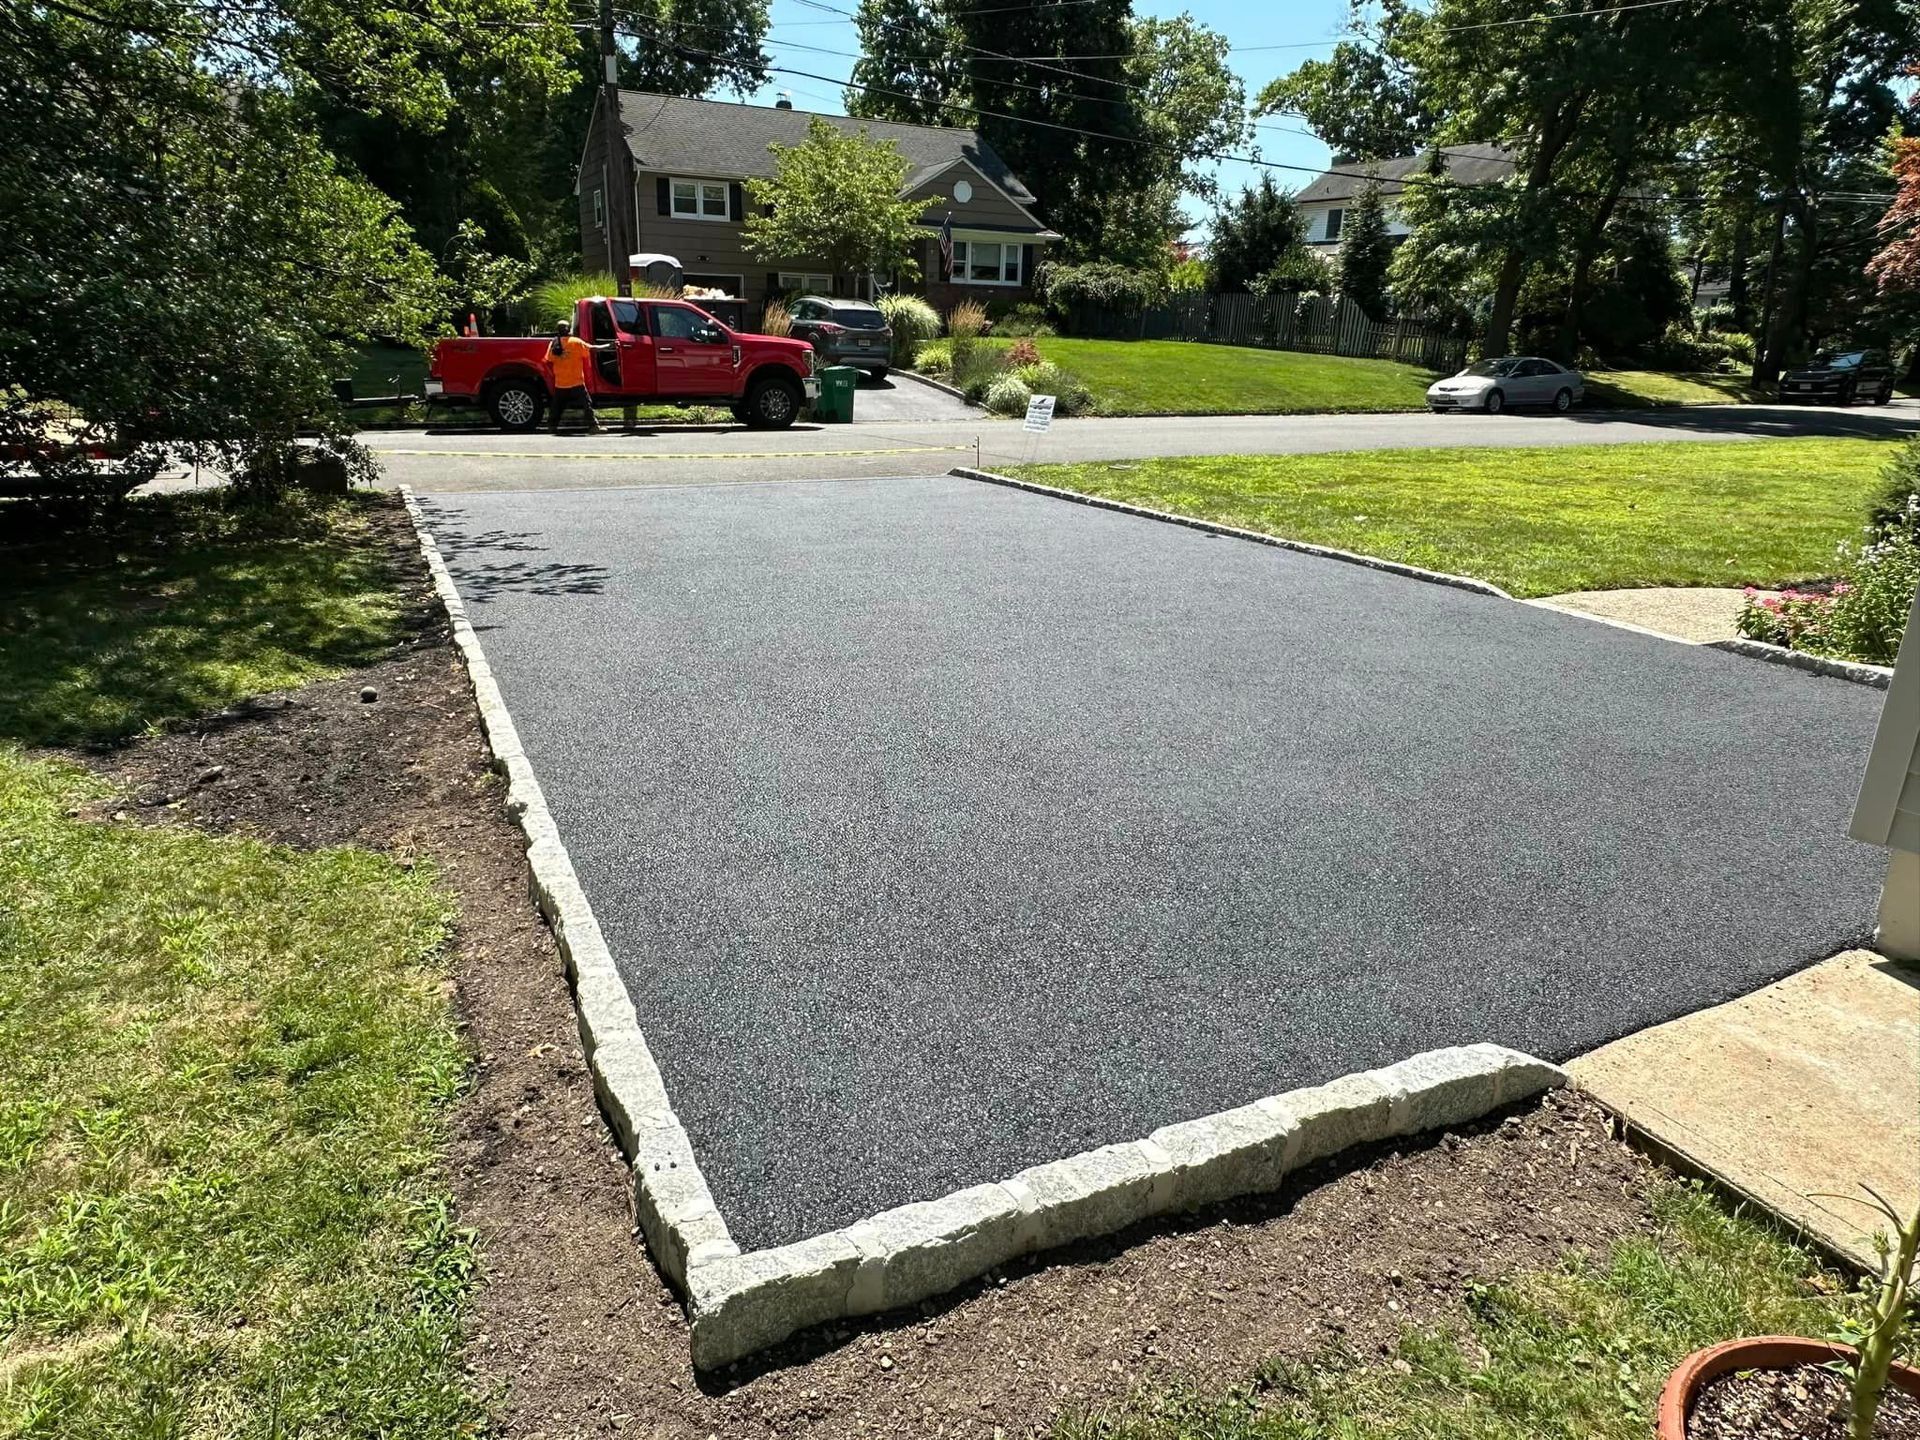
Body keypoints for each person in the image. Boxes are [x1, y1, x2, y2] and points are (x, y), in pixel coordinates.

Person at [545, 321, 604, 433]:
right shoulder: (576, 342)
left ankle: (552, 426)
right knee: (586, 404)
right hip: (576, 381)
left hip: (561, 382)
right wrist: (608, 346)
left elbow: (548, 360)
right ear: (568, 329)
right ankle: (593, 426)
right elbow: (592, 348)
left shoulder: (553, 344)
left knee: (557, 406)